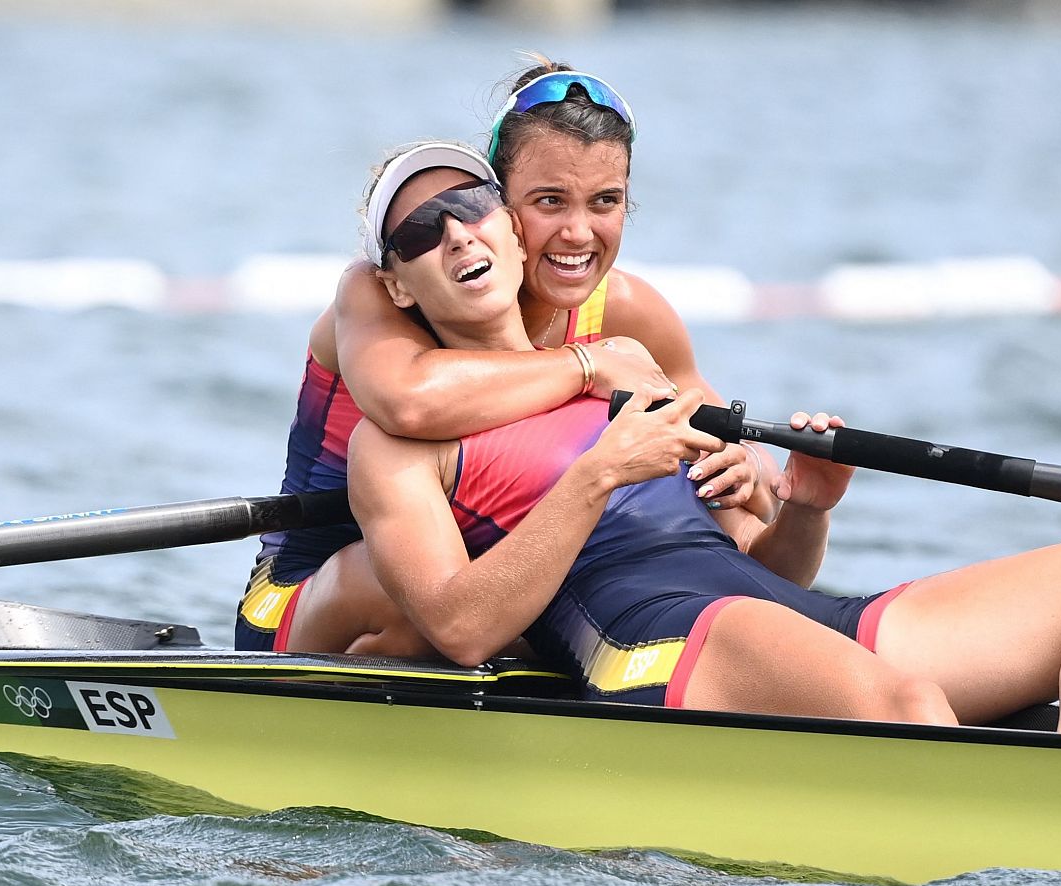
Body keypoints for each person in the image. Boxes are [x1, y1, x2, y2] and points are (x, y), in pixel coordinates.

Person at [345, 141, 1061, 735]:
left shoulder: (627, 360)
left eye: (471, 204)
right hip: (654, 637)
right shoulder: (399, 442)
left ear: (508, 226)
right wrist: (596, 476)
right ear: (401, 286)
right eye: (422, 229)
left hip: (781, 613)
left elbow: (773, 569)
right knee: (910, 704)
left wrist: (803, 508)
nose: (457, 230)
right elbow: (460, 628)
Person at [237, 61, 780, 657]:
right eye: (550, 201)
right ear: (504, 205)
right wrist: (588, 365)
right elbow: (407, 402)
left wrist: (752, 474)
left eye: (603, 202)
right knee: (438, 591)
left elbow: (745, 505)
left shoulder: (630, 312)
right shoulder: (380, 289)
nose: (577, 233)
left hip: (504, 582)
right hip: (322, 589)